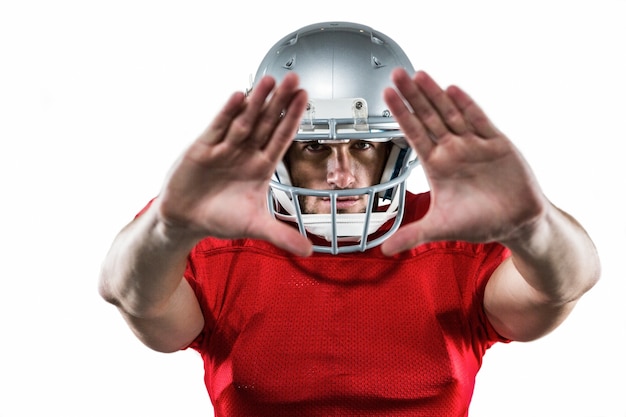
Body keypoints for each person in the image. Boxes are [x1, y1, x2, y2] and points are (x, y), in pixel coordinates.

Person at [98, 21, 601, 417]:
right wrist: (168, 227)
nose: (341, 175)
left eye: (362, 144)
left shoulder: (454, 240)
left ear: (397, 150)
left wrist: (530, 224)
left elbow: (566, 283)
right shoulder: (220, 244)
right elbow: (133, 298)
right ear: (276, 154)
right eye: (315, 146)